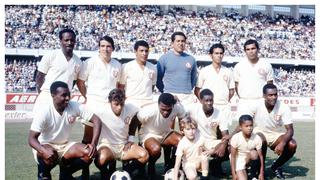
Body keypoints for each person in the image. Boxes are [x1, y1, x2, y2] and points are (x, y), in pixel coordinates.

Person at [28, 81, 102, 180]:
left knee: (89, 152)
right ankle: (44, 174)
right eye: (64, 95)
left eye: (68, 94)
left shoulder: (74, 106)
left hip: (65, 145)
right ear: (53, 95)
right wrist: (43, 150)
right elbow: (31, 139)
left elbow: (97, 120)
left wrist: (93, 143)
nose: (67, 98)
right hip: (47, 144)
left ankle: (65, 174)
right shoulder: (44, 111)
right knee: (48, 153)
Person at [77, 35, 122, 177]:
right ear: (99, 47)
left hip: (109, 106)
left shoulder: (117, 65)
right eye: (102, 46)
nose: (105, 49)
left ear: (113, 48)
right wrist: (87, 97)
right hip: (93, 105)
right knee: (88, 139)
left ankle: (110, 171)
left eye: (108, 46)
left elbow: (119, 86)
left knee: (110, 138)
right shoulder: (90, 62)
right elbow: (80, 82)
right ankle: (85, 170)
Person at [242, 84, 297, 179]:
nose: (274, 97)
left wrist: (283, 143)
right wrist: (232, 136)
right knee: (260, 140)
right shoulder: (256, 104)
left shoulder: (283, 107)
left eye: (275, 94)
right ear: (264, 96)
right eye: (270, 95)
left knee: (292, 145)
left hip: (276, 134)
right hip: (259, 132)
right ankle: (259, 170)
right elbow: (244, 122)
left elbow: (290, 130)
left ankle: (276, 166)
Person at [93, 88, 149, 179]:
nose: (119, 107)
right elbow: (89, 121)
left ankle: (126, 172)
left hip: (124, 146)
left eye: (122, 104)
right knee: (100, 160)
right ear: (110, 101)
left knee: (144, 155)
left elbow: (137, 117)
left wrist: (131, 138)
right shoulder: (100, 111)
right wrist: (93, 143)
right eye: (116, 104)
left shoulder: (130, 107)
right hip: (108, 146)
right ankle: (107, 175)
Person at [35, 28, 85, 110]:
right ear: (60, 41)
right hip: (48, 96)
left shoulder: (78, 62)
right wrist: (42, 94)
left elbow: (74, 81)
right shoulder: (51, 55)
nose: (69, 43)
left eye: (72, 40)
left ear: (75, 42)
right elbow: (40, 76)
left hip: (64, 99)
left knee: (62, 123)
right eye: (66, 40)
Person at [137, 93, 186, 177]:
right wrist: (139, 140)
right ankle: (151, 166)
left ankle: (171, 166)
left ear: (173, 106)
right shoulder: (149, 110)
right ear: (158, 104)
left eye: (169, 110)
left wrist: (183, 129)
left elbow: (183, 118)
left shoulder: (177, 107)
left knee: (183, 142)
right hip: (149, 134)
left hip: (165, 132)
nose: (166, 112)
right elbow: (136, 120)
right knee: (155, 149)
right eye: (163, 109)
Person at [187, 89, 230, 177]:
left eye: (211, 100)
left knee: (229, 147)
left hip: (211, 141)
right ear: (201, 101)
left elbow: (225, 134)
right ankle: (183, 166)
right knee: (182, 142)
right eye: (206, 100)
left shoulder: (220, 113)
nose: (209, 103)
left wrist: (223, 145)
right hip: (198, 141)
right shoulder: (193, 109)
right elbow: (180, 111)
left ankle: (215, 164)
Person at [195, 43, 234, 126]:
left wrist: (224, 100)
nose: (219, 56)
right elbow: (197, 90)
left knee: (224, 133)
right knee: (208, 132)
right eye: (216, 53)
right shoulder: (204, 71)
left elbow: (231, 90)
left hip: (224, 106)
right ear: (211, 55)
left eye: (221, 53)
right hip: (209, 107)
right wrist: (204, 103)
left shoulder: (228, 71)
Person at [156, 31, 198, 107]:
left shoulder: (191, 59)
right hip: (170, 94)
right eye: (178, 41)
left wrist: (186, 90)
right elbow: (158, 78)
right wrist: (165, 92)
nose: (181, 43)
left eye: (183, 41)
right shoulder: (164, 58)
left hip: (187, 96)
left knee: (187, 118)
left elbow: (193, 78)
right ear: (172, 43)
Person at [233, 39, 274, 116]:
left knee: (262, 127)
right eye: (248, 49)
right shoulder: (239, 66)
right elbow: (236, 85)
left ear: (258, 49)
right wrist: (243, 98)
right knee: (244, 127)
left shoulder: (266, 65)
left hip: (261, 101)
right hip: (245, 102)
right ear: (245, 51)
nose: (251, 51)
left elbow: (270, 85)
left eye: (253, 48)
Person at [119, 40, 157, 108]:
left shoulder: (153, 68)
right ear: (135, 52)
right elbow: (121, 87)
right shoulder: (127, 66)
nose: (144, 53)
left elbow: (152, 86)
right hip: (131, 102)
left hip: (148, 102)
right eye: (141, 51)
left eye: (146, 51)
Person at [230, 115, 264, 180]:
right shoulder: (235, 137)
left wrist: (261, 173)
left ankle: (253, 175)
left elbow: (261, 156)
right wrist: (233, 173)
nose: (249, 128)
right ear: (240, 127)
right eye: (246, 126)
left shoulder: (257, 138)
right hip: (238, 159)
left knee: (254, 153)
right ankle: (243, 171)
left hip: (248, 158)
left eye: (251, 125)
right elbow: (233, 156)